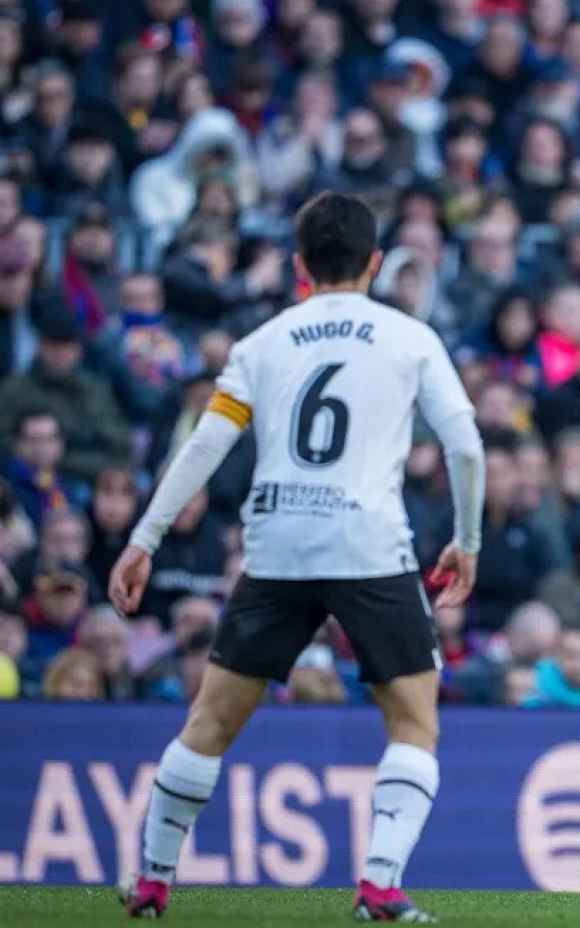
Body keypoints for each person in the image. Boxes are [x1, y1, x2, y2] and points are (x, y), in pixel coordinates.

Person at [108, 193, 485, 922]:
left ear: (298, 266)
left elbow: (205, 447)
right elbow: (466, 445)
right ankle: (378, 884)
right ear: (376, 263)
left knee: (209, 722)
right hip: (369, 546)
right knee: (413, 724)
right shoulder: (409, 338)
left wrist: (143, 539)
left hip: (277, 545)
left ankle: (153, 877)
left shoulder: (263, 342)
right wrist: (466, 542)